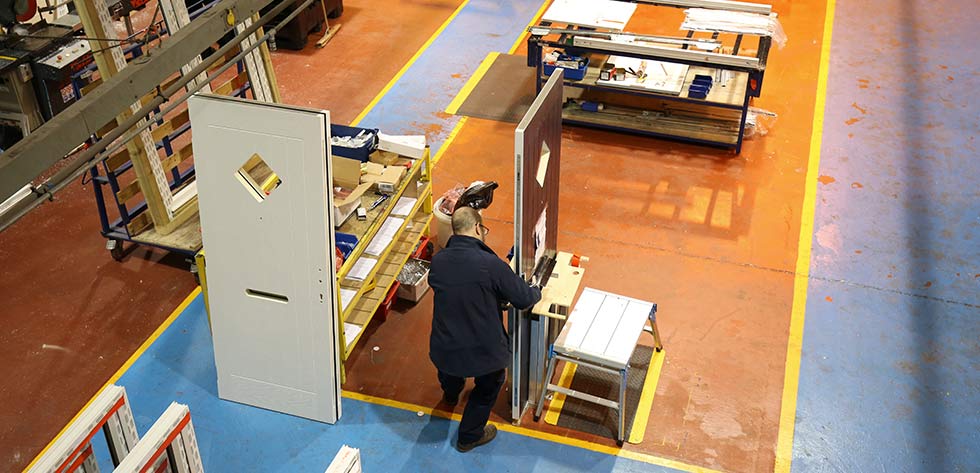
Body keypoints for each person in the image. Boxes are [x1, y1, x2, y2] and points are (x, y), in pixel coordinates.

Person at [428, 207, 542, 452]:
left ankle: (451, 393)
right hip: (482, 353)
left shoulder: (438, 261)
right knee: (490, 382)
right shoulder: (491, 264)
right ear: (478, 228)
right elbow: (523, 299)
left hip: (444, 349)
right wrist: (537, 289)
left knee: (451, 369)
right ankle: (469, 435)